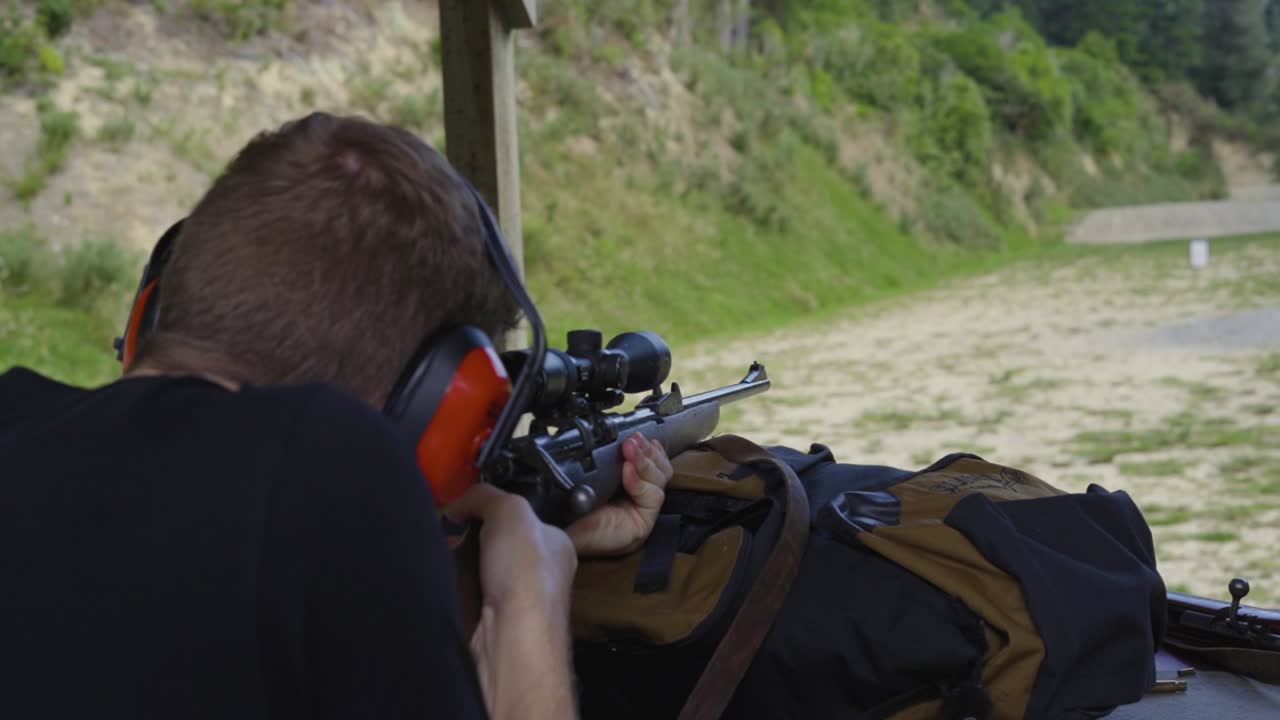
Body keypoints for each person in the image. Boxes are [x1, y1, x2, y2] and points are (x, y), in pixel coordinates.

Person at [0, 112, 675, 719]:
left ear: (151, 311)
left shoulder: (16, 415)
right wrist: (533, 611)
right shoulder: (332, 463)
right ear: (436, 408)